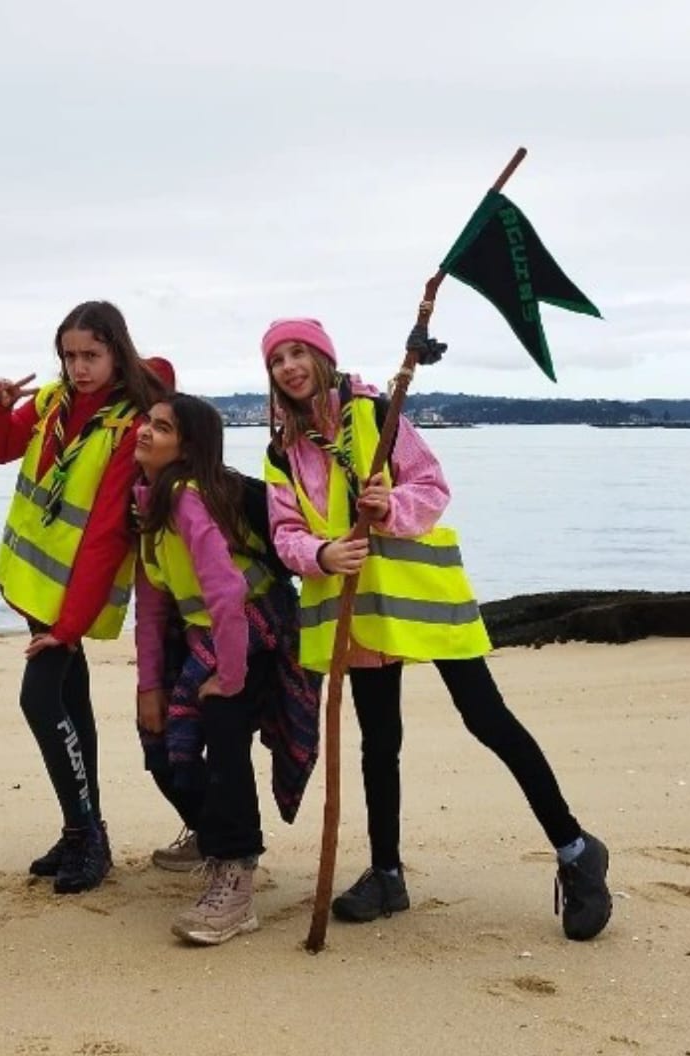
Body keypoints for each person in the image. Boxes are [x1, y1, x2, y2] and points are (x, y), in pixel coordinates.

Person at [261, 317, 612, 941]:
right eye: (276, 359)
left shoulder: (378, 413)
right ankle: (387, 874)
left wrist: (389, 506)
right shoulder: (281, 451)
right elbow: (284, 532)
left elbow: (431, 486)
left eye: (297, 353)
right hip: (358, 610)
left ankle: (577, 850)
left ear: (321, 357)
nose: (288, 367)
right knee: (379, 742)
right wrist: (321, 554)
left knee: (487, 719)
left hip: (424, 598)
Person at [0, 301, 172, 894]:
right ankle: (80, 829)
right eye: (69, 355)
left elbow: (108, 532)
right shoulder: (55, 400)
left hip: (72, 597)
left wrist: (68, 626)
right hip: (37, 584)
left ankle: (88, 835)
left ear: (117, 352)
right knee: (69, 701)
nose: (79, 367)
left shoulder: (129, 424)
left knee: (39, 700)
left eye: (91, 355)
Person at [134, 393, 320, 945]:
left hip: (256, 628)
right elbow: (152, 609)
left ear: (187, 448)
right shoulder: (149, 503)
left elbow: (227, 591)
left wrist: (230, 679)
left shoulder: (189, 499)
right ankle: (211, 834)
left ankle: (235, 874)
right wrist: (149, 686)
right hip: (207, 637)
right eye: (148, 421)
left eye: (161, 427)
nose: (145, 430)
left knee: (222, 728)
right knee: (160, 741)